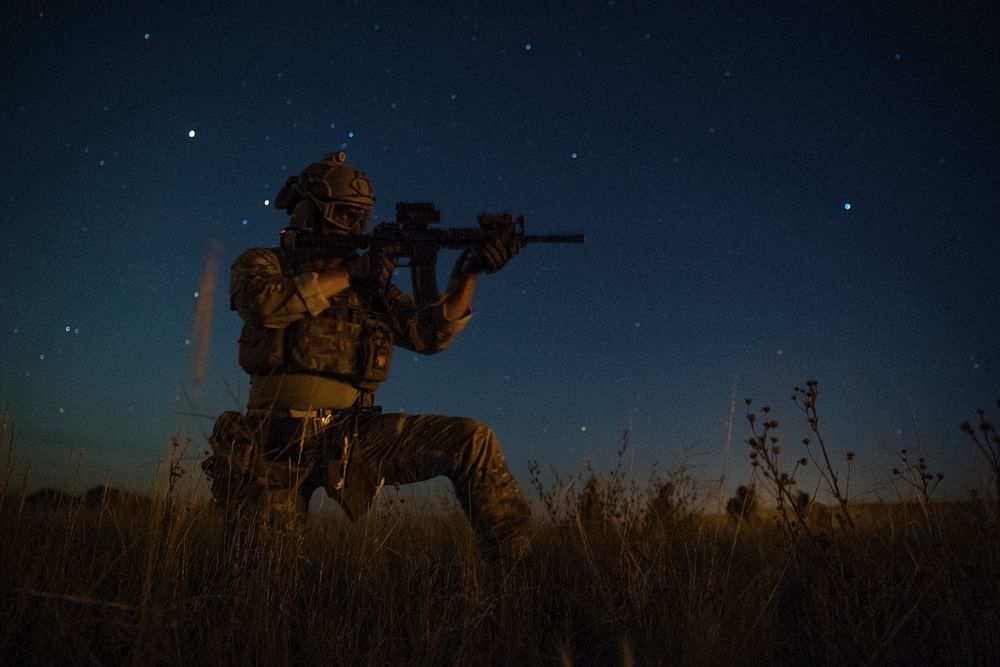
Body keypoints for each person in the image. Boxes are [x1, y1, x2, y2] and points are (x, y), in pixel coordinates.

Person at [204, 152, 533, 561]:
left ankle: (520, 577)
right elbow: (264, 305)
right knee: (263, 576)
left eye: (362, 218)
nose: (356, 227)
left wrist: (468, 272)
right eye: (345, 215)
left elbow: (428, 335)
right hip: (272, 440)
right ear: (310, 212)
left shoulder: (368, 284)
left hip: (352, 435)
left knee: (472, 442)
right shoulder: (264, 263)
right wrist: (352, 273)